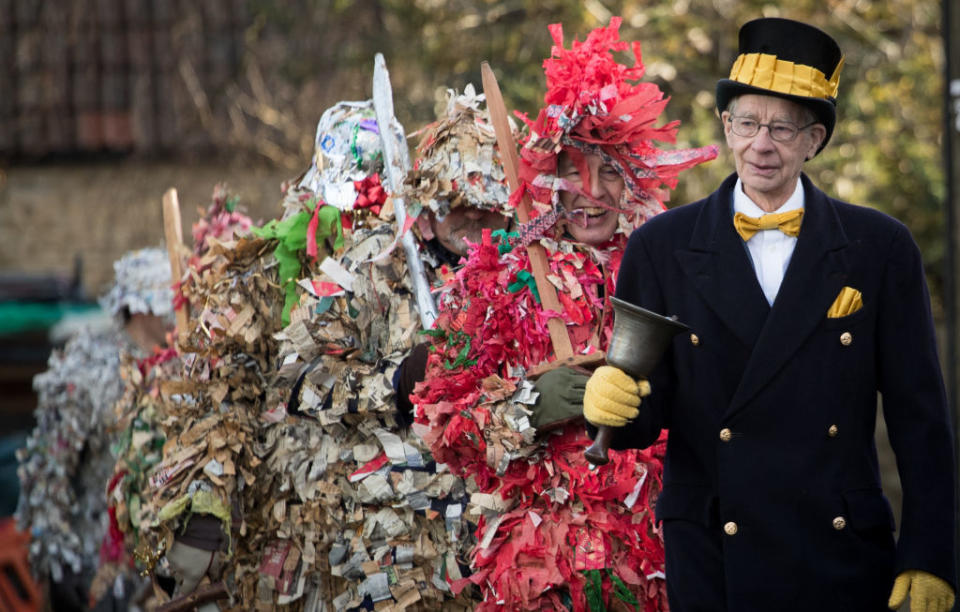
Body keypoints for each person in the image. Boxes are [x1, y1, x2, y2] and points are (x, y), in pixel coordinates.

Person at [582, 17, 957, 612]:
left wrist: (931, 552)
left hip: (840, 555)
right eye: (750, 123)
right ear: (727, 128)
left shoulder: (881, 248)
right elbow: (645, 416)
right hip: (714, 554)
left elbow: (922, 418)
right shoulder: (660, 246)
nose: (763, 144)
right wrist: (611, 400)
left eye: (783, 128)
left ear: (814, 141)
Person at [408, 18, 716, 610]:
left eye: (608, 169)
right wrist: (528, 407)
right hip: (539, 579)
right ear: (546, 177)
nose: (591, 190)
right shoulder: (497, 277)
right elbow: (441, 426)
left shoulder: (675, 272)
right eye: (572, 169)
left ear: (637, 177)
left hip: (665, 569)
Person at [16, 247, 174, 611]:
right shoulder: (87, 370)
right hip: (94, 564)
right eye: (162, 302)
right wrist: (58, 565)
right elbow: (47, 475)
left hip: (154, 565)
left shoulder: (179, 372)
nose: (172, 315)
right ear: (137, 307)